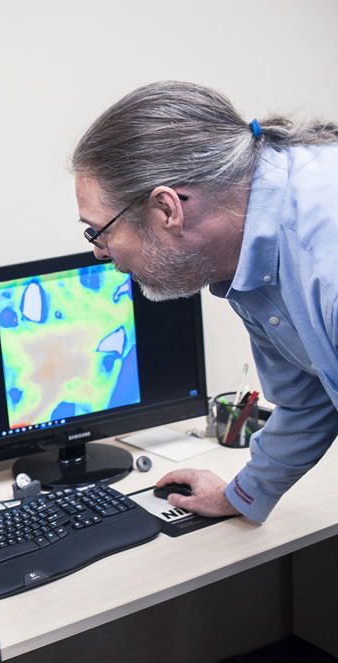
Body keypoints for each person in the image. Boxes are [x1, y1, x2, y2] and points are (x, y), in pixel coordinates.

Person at [71, 80, 338, 523]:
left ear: (167, 209)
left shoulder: (323, 258)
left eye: (100, 230)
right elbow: (309, 399)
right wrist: (243, 493)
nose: (99, 251)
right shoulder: (244, 247)